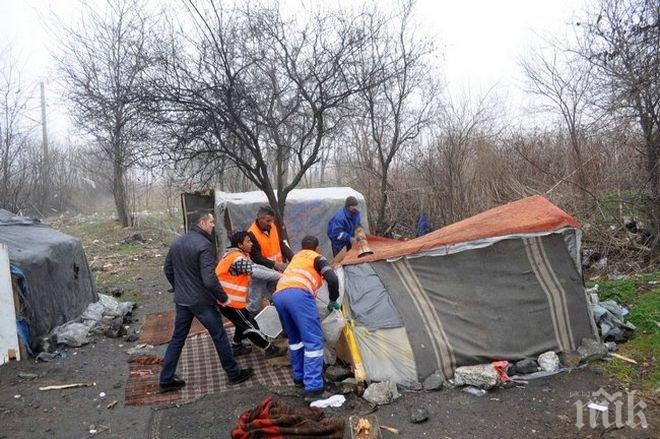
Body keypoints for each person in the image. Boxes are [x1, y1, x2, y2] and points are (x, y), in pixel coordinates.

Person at [160, 209, 253, 392]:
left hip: (182, 301)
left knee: (177, 338)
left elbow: (167, 269)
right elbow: (209, 279)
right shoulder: (203, 244)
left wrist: (179, 288)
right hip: (202, 302)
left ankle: (166, 379)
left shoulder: (177, 242)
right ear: (201, 223)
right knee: (219, 335)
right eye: (211, 222)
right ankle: (234, 374)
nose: (212, 225)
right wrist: (223, 297)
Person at [272, 235, 340, 400]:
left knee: (296, 341)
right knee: (314, 342)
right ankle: (314, 388)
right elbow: (332, 278)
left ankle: (299, 378)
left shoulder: (296, 257)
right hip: (299, 296)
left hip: (279, 295)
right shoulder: (317, 258)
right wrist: (333, 300)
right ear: (317, 248)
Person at [215, 231, 287, 358]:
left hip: (228, 300)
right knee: (250, 325)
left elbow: (256, 267)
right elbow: (254, 271)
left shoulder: (235, 255)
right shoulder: (237, 258)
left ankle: (236, 346)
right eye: (248, 241)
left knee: (241, 323)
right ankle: (269, 349)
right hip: (229, 301)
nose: (251, 244)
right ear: (240, 244)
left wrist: (275, 272)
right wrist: (279, 275)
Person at [246, 206, 294, 314]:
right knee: (255, 302)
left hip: (275, 270)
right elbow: (256, 257)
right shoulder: (251, 234)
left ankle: (279, 316)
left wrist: (293, 258)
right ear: (259, 219)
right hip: (262, 272)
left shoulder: (273, 227)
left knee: (279, 295)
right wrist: (275, 264)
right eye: (268, 221)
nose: (271, 223)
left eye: (272, 220)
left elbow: (281, 244)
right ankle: (250, 318)